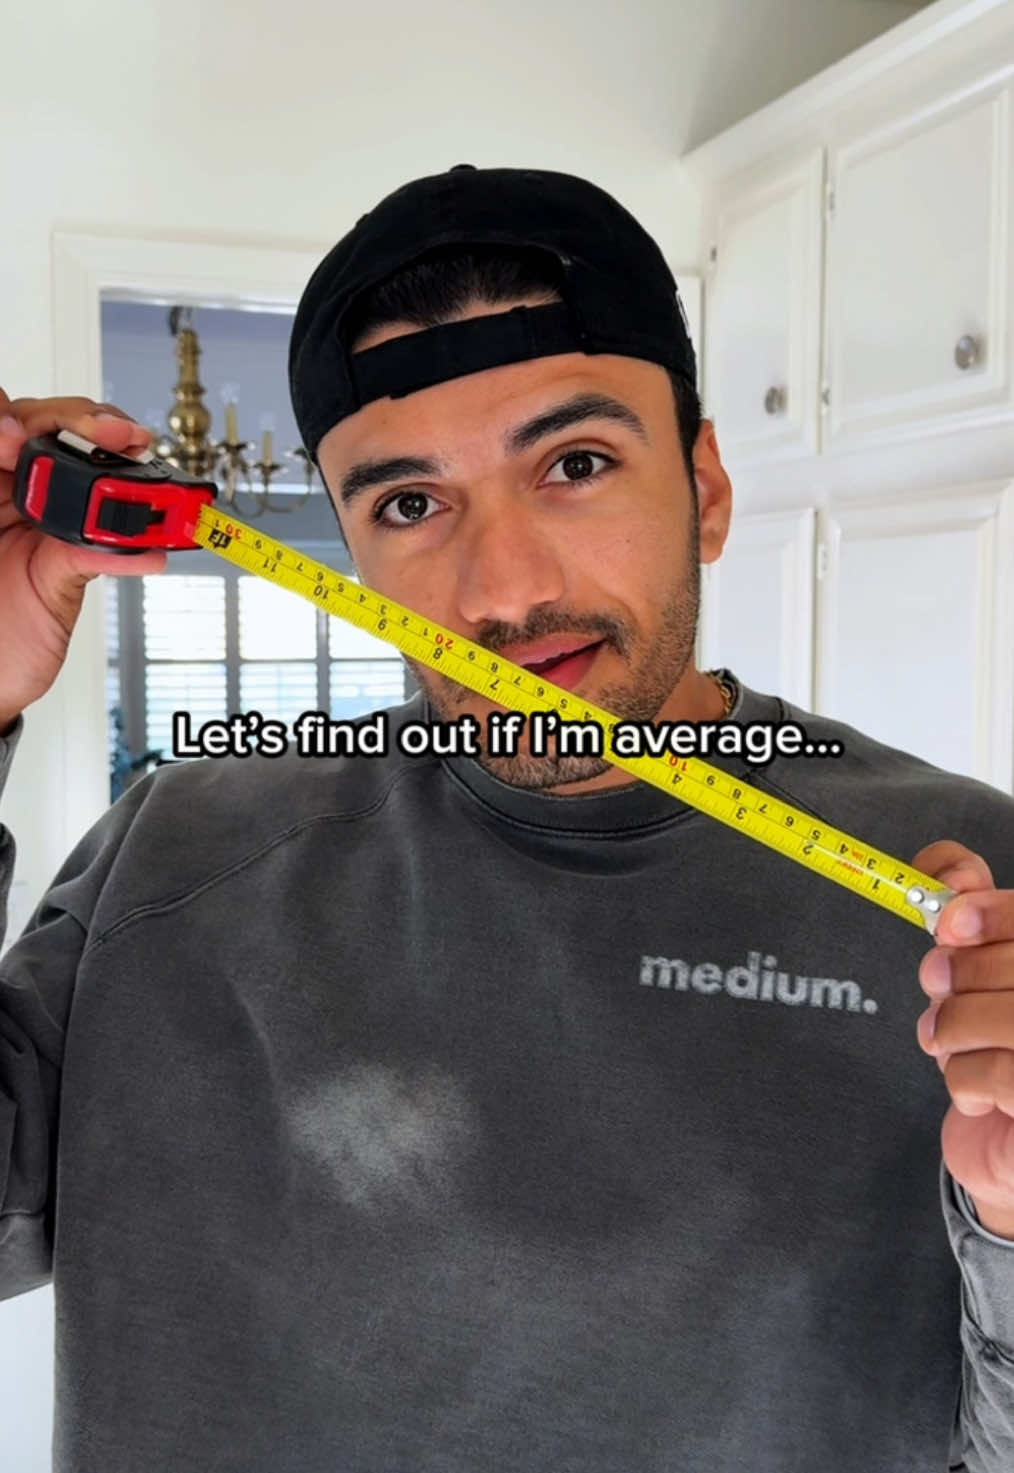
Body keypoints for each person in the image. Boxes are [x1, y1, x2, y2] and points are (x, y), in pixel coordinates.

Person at [1, 164, 1013, 1473]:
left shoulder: (974, 900)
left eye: (575, 463)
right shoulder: (172, 852)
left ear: (704, 488)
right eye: (409, 504)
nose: (503, 590)